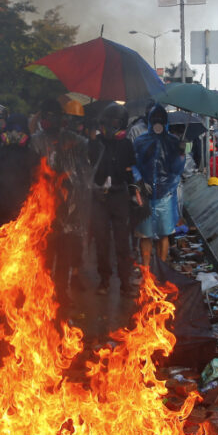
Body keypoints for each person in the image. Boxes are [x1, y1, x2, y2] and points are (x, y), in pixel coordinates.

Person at [30, 98, 92, 296]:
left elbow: (86, 155)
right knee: (45, 259)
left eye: (54, 116)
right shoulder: (36, 140)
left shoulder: (73, 140)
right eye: (46, 116)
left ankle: (61, 298)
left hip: (67, 208)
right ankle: (45, 299)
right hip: (43, 209)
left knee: (64, 257)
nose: (50, 121)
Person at [89, 103, 138, 296]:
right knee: (101, 242)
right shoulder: (96, 142)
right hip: (99, 198)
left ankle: (125, 282)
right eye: (106, 123)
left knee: (122, 244)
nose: (109, 127)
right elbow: (88, 167)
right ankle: (104, 280)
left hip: (119, 197)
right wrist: (92, 141)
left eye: (114, 123)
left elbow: (131, 173)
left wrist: (134, 194)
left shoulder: (126, 145)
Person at [133, 104, 186, 266]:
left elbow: (176, 170)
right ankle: (147, 270)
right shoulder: (140, 141)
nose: (158, 124)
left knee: (164, 233)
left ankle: (161, 269)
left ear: (165, 122)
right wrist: (140, 181)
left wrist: (181, 155)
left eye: (160, 121)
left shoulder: (172, 142)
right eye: (155, 121)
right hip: (146, 194)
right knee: (145, 234)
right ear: (149, 121)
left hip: (165, 195)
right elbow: (134, 164)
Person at [0, 111, 38, 241]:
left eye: (19, 129)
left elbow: (39, 187)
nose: (15, 133)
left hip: (23, 217)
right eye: (12, 129)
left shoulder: (33, 157)